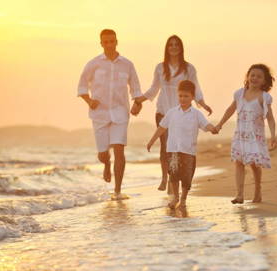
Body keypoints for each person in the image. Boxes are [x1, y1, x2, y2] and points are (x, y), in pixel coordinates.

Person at [132, 35, 212, 192]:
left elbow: (195, 88)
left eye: (176, 45)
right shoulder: (160, 67)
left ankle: (175, 178)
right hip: (164, 111)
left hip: (183, 113)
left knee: (180, 148)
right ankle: (166, 178)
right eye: (170, 45)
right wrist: (138, 101)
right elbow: (153, 89)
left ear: (181, 48)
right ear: (167, 48)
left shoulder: (189, 68)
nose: (173, 47)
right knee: (166, 147)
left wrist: (202, 103)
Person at [77, 29, 142, 199]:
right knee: (103, 154)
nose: (109, 45)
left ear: (116, 41)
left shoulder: (127, 64)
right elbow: (82, 86)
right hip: (99, 114)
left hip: (120, 113)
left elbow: (135, 86)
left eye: (112, 41)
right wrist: (89, 101)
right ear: (101, 43)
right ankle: (106, 164)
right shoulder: (93, 64)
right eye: (105, 42)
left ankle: (118, 191)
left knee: (119, 149)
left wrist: (137, 103)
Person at [147, 80, 217, 208]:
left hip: (188, 151)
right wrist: (151, 141)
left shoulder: (196, 114)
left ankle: (183, 199)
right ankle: (176, 198)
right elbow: (161, 128)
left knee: (186, 177)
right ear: (177, 95)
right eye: (180, 96)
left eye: (186, 96)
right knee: (173, 176)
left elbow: (206, 125)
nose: (183, 99)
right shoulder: (172, 112)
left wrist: (213, 128)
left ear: (192, 97)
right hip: (172, 150)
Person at [215, 64, 277, 204]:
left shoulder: (264, 97)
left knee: (255, 164)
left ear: (264, 81)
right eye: (253, 75)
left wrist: (273, 136)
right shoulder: (239, 94)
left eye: (259, 76)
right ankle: (239, 195)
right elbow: (230, 110)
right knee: (239, 162)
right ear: (247, 76)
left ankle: (257, 191)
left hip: (255, 137)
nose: (255, 78)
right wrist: (220, 124)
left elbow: (271, 119)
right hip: (240, 135)